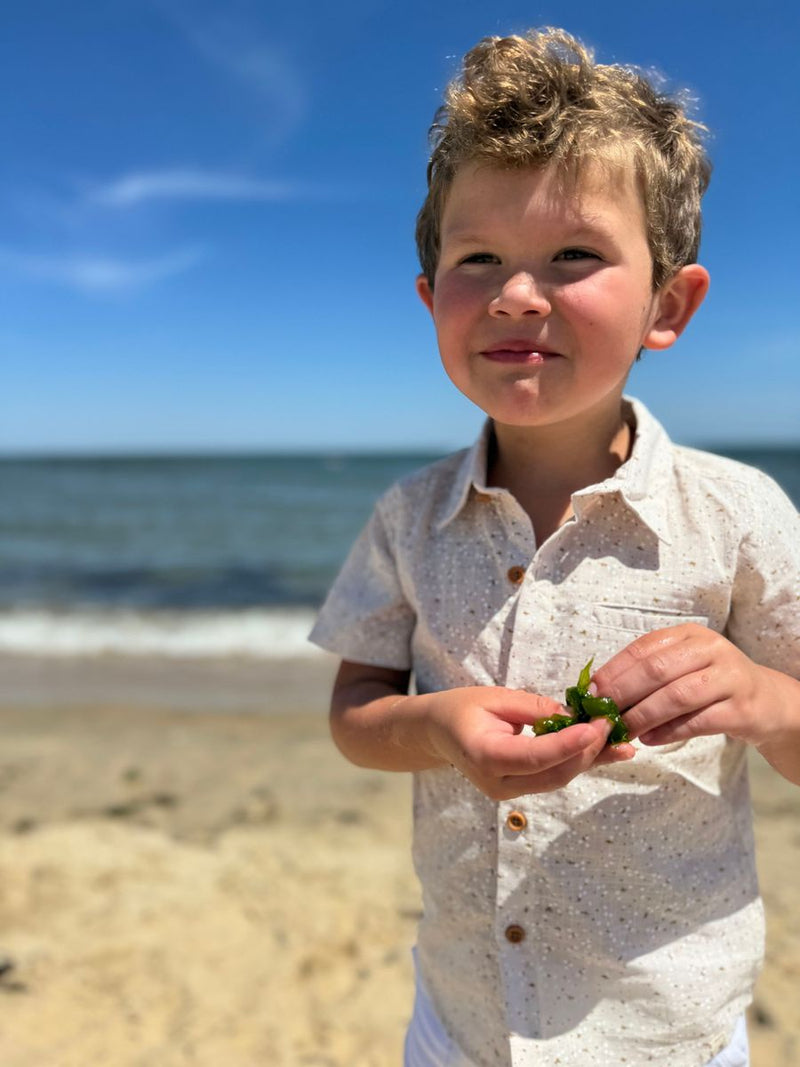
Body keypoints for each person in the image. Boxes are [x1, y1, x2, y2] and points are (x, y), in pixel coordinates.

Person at [309, 26, 800, 1067]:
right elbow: (355, 713)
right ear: (427, 298)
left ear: (667, 303)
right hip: (462, 1020)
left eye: (572, 255)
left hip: (668, 1028)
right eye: (474, 258)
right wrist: (437, 725)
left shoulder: (738, 513)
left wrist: (763, 701)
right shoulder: (407, 514)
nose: (515, 293)